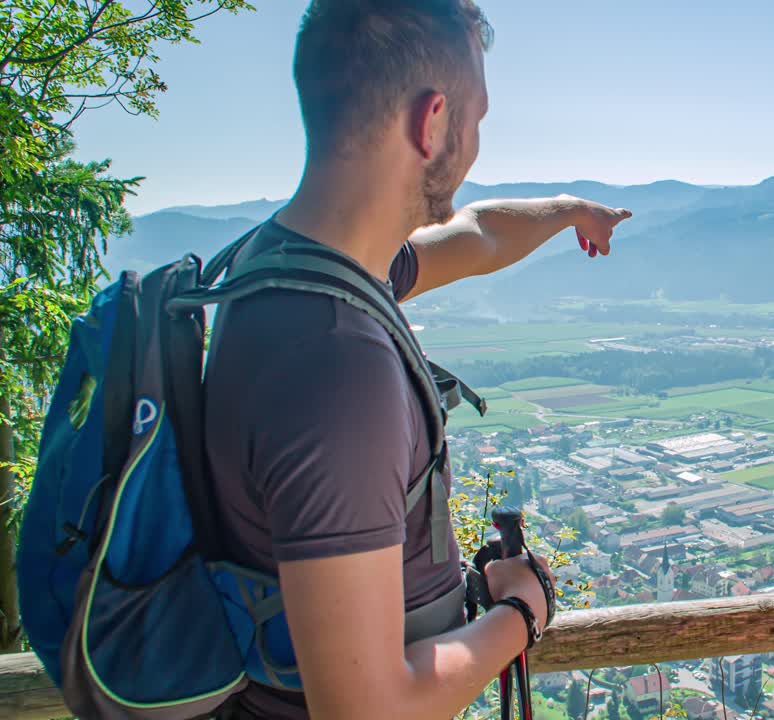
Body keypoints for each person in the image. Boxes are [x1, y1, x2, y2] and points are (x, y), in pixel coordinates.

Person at [201, 2, 632, 718]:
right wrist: (522, 611)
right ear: (432, 122)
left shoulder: (293, 267)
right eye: (479, 118)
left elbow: (478, 234)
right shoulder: (335, 361)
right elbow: (369, 708)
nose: (476, 144)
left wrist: (569, 210)